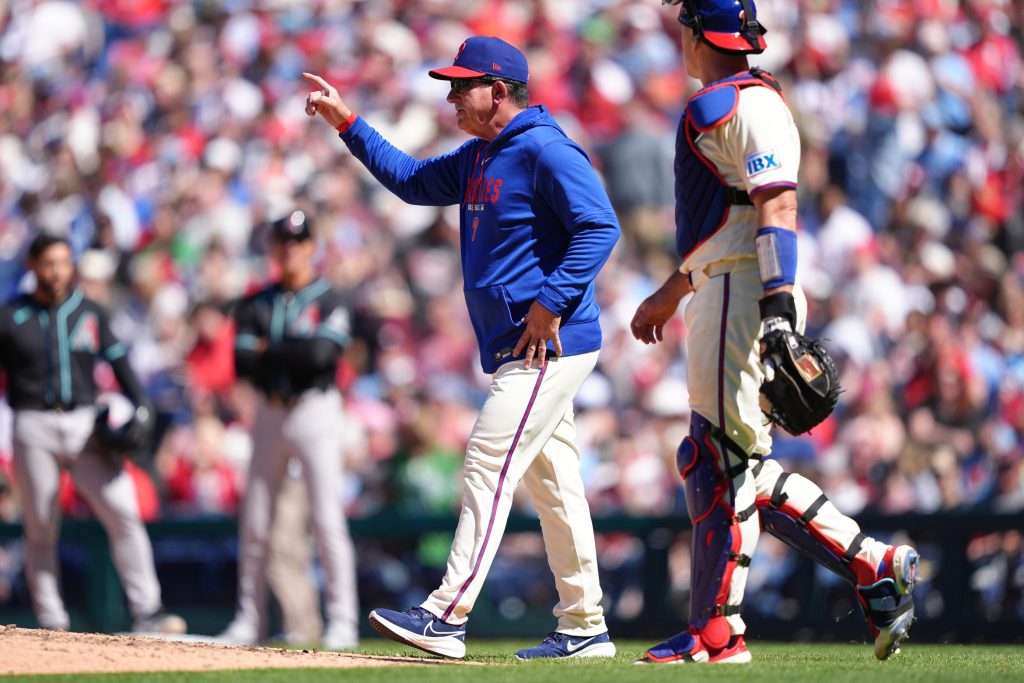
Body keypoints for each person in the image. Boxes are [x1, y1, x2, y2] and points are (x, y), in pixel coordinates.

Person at [304, 35, 621, 660]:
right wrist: (349, 123)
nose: (450, 96)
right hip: (517, 345)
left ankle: (446, 615)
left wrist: (551, 301)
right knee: (555, 487)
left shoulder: (545, 149)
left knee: (486, 458)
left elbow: (600, 226)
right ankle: (585, 626)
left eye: (461, 85)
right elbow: (413, 181)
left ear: (497, 91)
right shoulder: (483, 153)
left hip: (548, 344)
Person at [629, 0, 919, 664]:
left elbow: (776, 206)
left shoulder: (740, 103)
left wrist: (778, 311)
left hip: (744, 290)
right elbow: (729, 220)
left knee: (718, 461)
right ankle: (875, 564)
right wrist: (674, 292)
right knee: (741, 463)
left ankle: (717, 631)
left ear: (699, 33)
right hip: (722, 284)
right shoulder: (735, 100)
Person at [0, 232, 185, 635]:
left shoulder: (89, 312)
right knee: (40, 525)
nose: (57, 271)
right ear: (32, 266)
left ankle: (148, 610)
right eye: (49, 262)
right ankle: (51, 620)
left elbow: (122, 367)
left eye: (64, 262)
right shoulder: (11, 316)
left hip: (86, 425)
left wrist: (141, 406)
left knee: (123, 511)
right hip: (32, 425)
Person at [216, 210, 359, 650]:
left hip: (314, 408)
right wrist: (291, 350)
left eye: (298, 241)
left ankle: (342, 622)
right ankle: (249, 619)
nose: (290, 249)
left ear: (312, 247)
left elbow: (321, 359)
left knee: (326, 519)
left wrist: (269, 351)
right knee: (255, 520)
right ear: (273, 248)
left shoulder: (330, 299)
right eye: (283, 242)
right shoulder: (257, 301)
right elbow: (241, 363)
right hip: (270, 411)